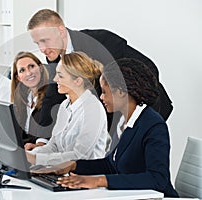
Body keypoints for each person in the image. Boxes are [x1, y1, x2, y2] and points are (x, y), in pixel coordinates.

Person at [27, 9, 173, 151]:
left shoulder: (101, 42)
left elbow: (149, 69)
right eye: (38, 43)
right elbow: (52, 97)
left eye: (44, 41)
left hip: (146, 109)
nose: (42, 49)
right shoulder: (56, 56)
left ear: (60, 31)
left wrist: (129, 122)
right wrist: (42, 142)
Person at [31, 58, 179, 198]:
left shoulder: (153, 125)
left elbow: (158, 179)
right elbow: (111, 164)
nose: (101, 97)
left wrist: (99, 181)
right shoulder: (123, 121)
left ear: (120, 92)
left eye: (104, 92)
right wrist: (72, 165)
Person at [26, 51, 108, 166]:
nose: (54, 79)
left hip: (84, 178)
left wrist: (37, 159)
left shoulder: (93, 109)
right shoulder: (65, 105)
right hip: (61, 172)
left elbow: (79, 156)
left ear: (78, 81)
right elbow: (53, 145)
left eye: (60, 75)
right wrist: (30, 156)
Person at [11, 51, 51, 150]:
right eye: (22, 70)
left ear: (41, 68)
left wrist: (38, 146)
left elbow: (49, 133)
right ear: (18, 78)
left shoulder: (51, 96)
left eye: (31, 66)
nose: (28, 73)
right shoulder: (24, 100)